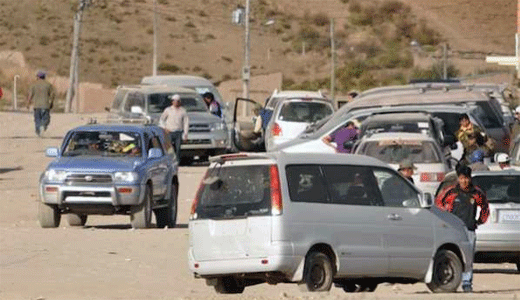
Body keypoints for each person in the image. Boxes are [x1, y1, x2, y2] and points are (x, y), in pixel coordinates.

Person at [435, 165, 489, 293]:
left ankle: (467, 283)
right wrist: (445, 218)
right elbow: (438, 204)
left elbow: (485, 208)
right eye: (462, 178)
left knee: (468, 257)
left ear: (470, 178)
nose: (464, 181)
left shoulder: (477, 193)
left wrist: (479, 222)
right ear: (458, 178)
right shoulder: (451, 191)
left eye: (466, 178)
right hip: (453, 229)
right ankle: (449, 281)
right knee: (451, 256)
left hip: (469, 229)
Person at [159, 94, 189, 162]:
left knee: (177, 148)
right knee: (169, 148)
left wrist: (185, 133)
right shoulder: (168, 110)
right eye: (174, 101)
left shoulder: (183, 111)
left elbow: (186, 123)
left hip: (178, 132)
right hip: (169, 132)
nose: (176, 102)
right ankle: (168, 161)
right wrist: (165, 128)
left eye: (177, 101)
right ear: (172, 102)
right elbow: (161, 120)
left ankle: (177, 162)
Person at [26, 71, 56, 137]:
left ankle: (38, 131)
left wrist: (28, 103)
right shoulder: (48, 85)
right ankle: (43, 127)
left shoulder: (33, 85)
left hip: (36, 106)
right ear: (44, 77)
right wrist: (51, 103)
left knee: (37, 119)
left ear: (37, 77)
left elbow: (30, 95)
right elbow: (52, 95)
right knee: (46, 119)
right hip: (45, 105)